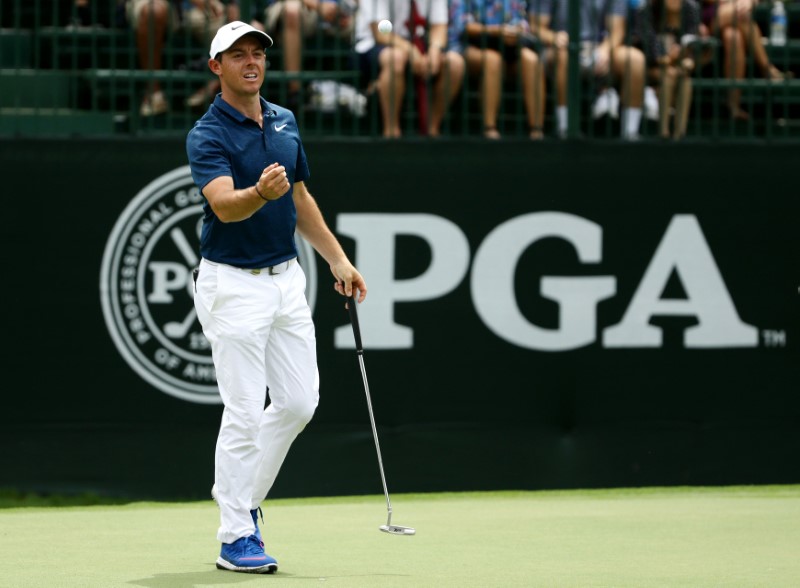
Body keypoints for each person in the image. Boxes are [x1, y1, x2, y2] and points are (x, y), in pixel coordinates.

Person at [185, 20, 368, 574]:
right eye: (237, 55)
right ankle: (235, 534)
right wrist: (258, 194)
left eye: (257, 54)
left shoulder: (286, 120)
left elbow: (301, 198)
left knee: (297, 403)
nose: (251, 62)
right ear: (216, 67)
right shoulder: (206, 134)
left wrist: (336, 257)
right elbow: (224, 206)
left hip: (287, 280)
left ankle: (243, 500)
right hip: (231, 284)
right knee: (243, 410)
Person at [529, 0, 647, 140]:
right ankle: (565, 129)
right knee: (564, 56)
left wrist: (604, 49)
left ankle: (630, 132)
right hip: (559, 49)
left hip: (599, 48)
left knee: (635, 60)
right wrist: (554, 37)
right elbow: (536, 25)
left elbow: (617, 30)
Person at [451, 0, 546, 139]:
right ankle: (489, 128)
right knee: (493, 60)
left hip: (508, 47)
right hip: (470, 46)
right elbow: (463, 26)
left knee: (532, 60)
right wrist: (496, 31)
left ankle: (536, 130)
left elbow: (522, 23)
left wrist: (516, 32)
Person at [369, 0, 466, 136]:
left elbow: (439, 27)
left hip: (420, 43)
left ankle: (431, 128)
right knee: (396, 58)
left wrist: (435, 49)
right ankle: (391, 131)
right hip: (375, 44)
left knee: (455, 63)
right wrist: (410, 50)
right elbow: (381, 32)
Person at [126, 0, 239, 116]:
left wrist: (232, 5)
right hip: (156, 3)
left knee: (245, 28)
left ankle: (216, 85)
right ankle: (154, 94)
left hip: (194, 9)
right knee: (153, 11)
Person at [250, 0, 356, 112]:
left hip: (335, 11)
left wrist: (343, 9)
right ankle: (296, 94)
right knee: (292, 10)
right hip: (294, 7)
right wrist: (317, 5)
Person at [700, 0, 792, 120]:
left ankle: (733, 105)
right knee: (741, 15)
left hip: (729, 13)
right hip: (702, 14)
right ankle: (767, 69)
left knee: (733, 37)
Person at [636, 0, 705, 139]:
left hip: (679, 67)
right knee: (669, 76)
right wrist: (667, 59)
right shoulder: (646, 10)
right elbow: (650, 49)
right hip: (649, 66)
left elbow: (691, 44)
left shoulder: (691, 9)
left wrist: (687, 60)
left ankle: (679, 134)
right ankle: (664, 132)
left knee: (684, 79)